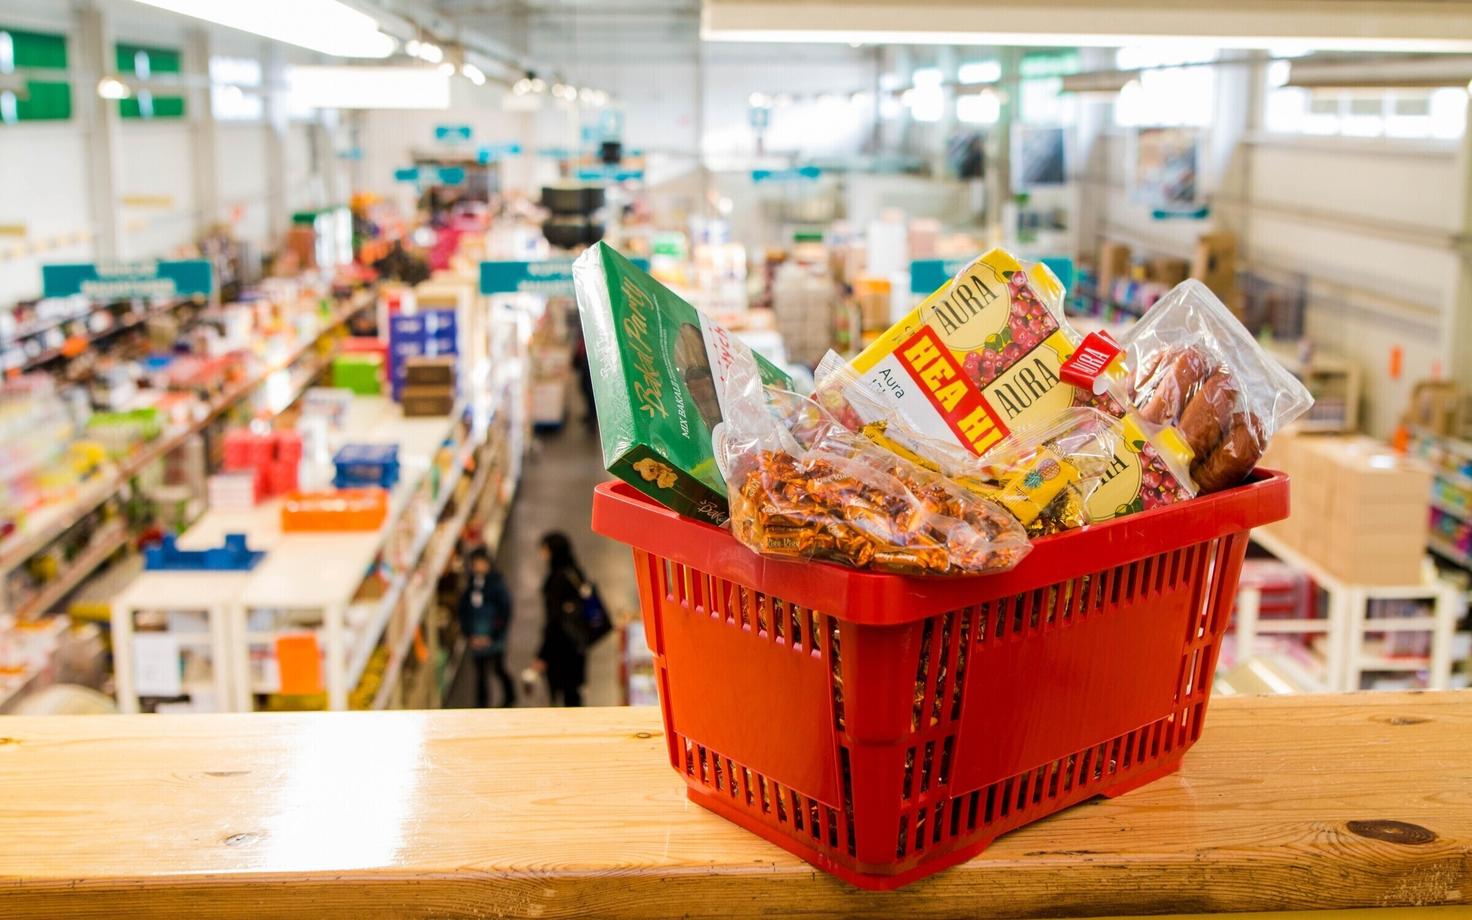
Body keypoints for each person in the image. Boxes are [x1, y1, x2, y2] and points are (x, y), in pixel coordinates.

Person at [533, 531, 590, 706]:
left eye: (544, 549)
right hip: (577, 644)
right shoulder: (574, 572)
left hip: (560, 649)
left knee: (559, 697)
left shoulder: (557, 580)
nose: (541, 554)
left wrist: (542, 654)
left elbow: (554, 620)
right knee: (573, 695)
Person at [458, 547, 515, 708]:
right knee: (481, 674)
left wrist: (493, 635)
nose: (479, 567)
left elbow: (504, 612)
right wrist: (469, 634)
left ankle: (510, 695)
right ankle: (482, 705)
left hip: (493, 637)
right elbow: (463, 611)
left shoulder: (497, 586)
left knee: (498, 668)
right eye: (475, 564)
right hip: (476, 636)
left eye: (482, 563)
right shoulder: (471, 586)